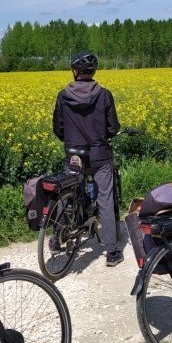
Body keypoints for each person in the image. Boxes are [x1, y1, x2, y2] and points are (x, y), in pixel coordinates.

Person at [53, 52, 123, 266]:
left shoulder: (63, 95)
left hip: (74, 154)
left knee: (67, 192)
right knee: (105, 199)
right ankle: (111, 253)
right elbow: (113, 127)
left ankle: (56, 239)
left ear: (75, 72)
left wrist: (71, 140)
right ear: (93, 72)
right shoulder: (104, 95)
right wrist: (106, 134)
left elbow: (58, 128)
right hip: (100, 155)